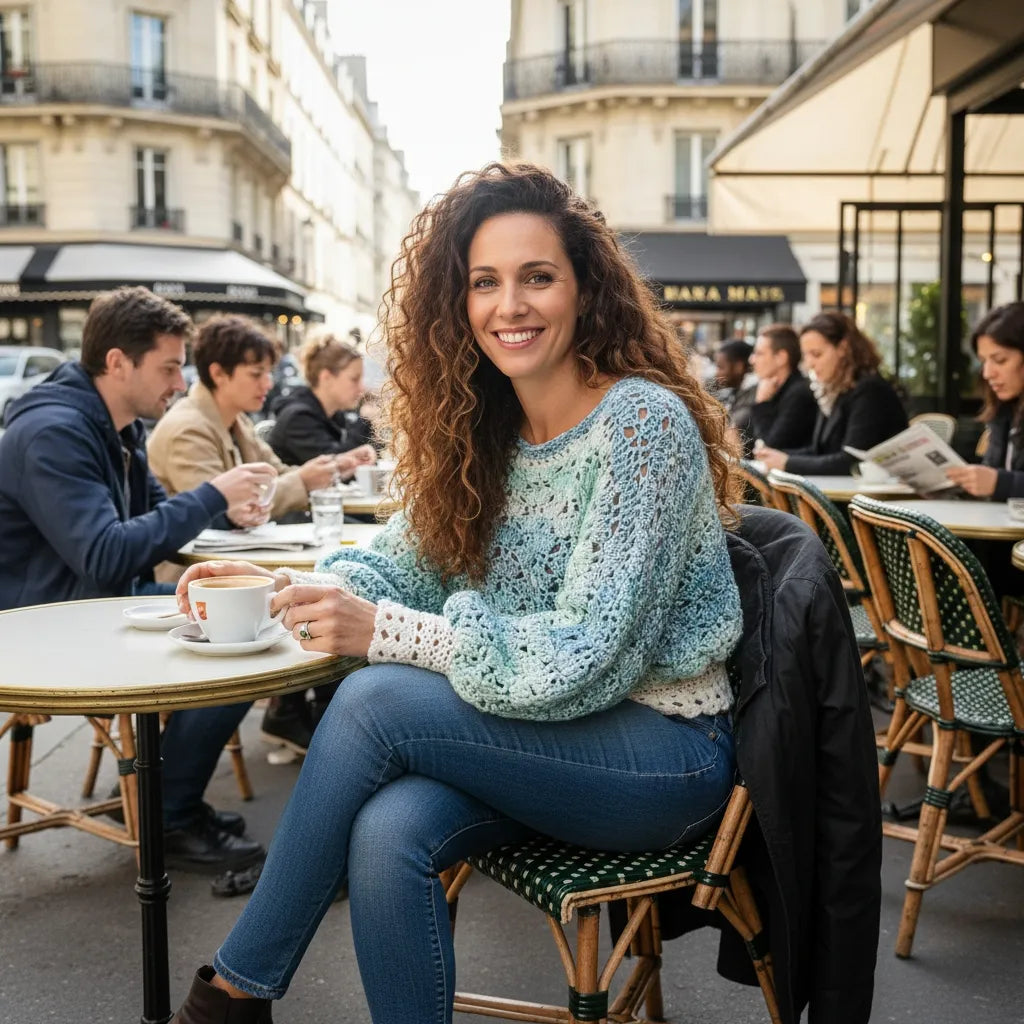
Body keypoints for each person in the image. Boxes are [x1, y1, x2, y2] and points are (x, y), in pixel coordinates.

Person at [169, 162, 744, 1024]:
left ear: (586, 291)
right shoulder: (491, 435)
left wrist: (394, 634)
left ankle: (235, 992)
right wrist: (285, 584)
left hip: (665, 753)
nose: (509, 305)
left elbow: (595, 651)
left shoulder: (642, 426)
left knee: (372, 700)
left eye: (537, 277)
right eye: (485, 282)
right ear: (458, 304)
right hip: (547, 732)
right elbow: (401, 562)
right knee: (388, 830)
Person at [0, 285, 274, 872]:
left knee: (246, 623)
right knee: (236, 642)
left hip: (93, 603)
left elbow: (155, 523)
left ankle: (168, 803)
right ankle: (167, 815)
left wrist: (229, 514)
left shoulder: (118, 426)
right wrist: (210, 494)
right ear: (118, 362)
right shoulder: (53, 432)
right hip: (38, 624)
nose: (179, 384)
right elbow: (104, 554)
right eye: (170, 367)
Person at [147, 314, 366, 753]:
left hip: (233, 566)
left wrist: (300, 480)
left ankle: (305, 715)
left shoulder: (236, 423)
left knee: (309, 595)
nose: (268, 382)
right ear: (218, 373)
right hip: (185, 580)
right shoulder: (189, 426)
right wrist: (300, 482)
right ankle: (177, 797)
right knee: (284, 612)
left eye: (268, 370)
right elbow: (227, 514)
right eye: (256, 372)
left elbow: (275, 482)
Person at [757, 311, 907, 475]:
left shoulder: (869, 390)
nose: (809, 364)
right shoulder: (833, 389)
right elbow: (821, 451)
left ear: (843, 348)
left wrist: (788, 462)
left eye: (816, 354)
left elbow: (850, 461)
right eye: (806, 356)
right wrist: (779, 457)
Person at [946, 301, 1024, 498]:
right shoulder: (1004, 409)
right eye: (983, 362)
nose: (987, 373)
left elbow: (999, 481)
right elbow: (991, 477)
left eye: (1000, 360)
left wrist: (1001, 483)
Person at [267, 332, 377, 468]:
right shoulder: (297, 419)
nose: (362, 387)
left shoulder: (334, 416)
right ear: (326, 378)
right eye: (354, 379)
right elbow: (334, 468)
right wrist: (364, 421)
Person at [747, 323, 818, 450]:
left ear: (781, 358)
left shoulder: (799, 394)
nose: (752, 360)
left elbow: (771, 446)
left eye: (759, 353)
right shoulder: (774, 389)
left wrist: (762, 403)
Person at [712, 338, 757, 445]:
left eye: (721, 367)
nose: (717, 373)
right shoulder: (734, 392)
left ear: (738, 367)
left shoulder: (754, 396)